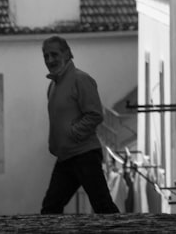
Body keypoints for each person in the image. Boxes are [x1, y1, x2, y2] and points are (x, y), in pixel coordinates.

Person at [40, 35, 120, 215]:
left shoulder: (80, 79)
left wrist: (73, 133)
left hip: (85, 155)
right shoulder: (53, 86)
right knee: (50, 208)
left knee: (103, 206)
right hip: (65, 157)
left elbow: (95, 114)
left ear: (67, 53)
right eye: (46, 56)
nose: (50, 60)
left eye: (54, 54)